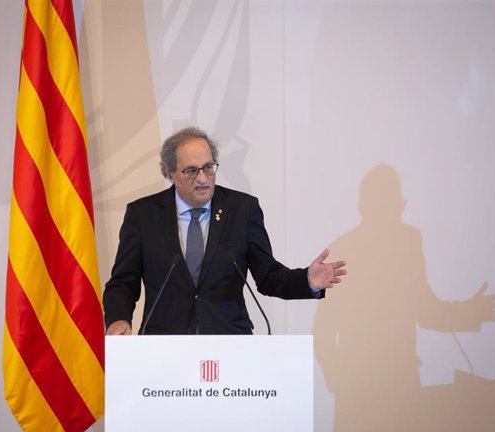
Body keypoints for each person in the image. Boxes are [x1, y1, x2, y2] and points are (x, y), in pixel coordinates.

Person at [103, 127, 347, 335]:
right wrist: (118, 319)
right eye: (191, 170)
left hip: (230, 343)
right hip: (166, 345)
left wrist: (307, 281)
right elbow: (123, 282)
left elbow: (269, 277)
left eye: (208, 167)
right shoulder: (143, 215)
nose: (203, 178)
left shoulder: (242, 210)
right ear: (169, 173)